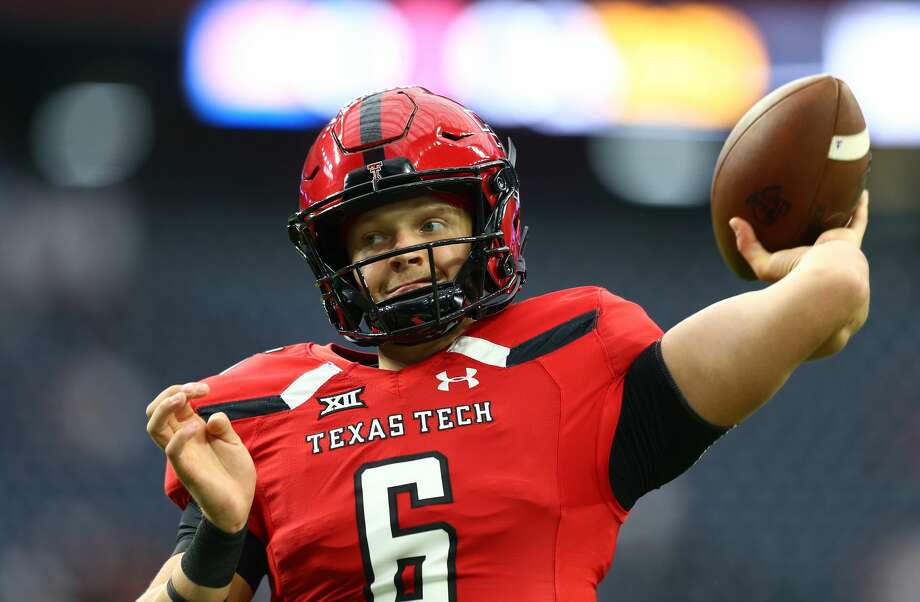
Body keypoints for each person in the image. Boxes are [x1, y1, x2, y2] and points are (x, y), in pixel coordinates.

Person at [138, 86, 870, 602]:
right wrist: (220, 538)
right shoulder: (260, 412)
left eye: (430, 224)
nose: (404, 253)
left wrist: (807, 262)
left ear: (490, 222)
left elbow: (829, 305)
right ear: (338, 266)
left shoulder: (576, 356)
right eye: (375, 237)